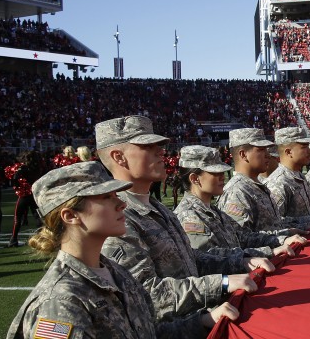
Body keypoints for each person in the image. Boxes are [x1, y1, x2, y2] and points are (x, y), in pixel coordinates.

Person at [7, 162, 237, 339]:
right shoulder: (59, 301)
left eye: (117, 195)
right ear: (70, 215)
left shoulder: (117, 273)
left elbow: (149, 333)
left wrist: (203, 321)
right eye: (106, 197)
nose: (121, 204)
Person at [96, 116, 264, 323]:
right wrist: (221, 283)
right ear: (119, 157)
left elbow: (190, 258)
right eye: (148, 146)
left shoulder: (157, 208)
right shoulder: (118, 217)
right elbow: (145, 293)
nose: (161, 151)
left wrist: (241, 262)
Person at [174, 145, 306, 258]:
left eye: (223, 172)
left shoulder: (212, 211)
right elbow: (210, 257)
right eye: (215, 173)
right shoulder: (189, 215)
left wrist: (281, 239)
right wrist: (267, 252)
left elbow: (243, 238)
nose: (222, 177)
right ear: (195, 179)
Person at [218, 128, 310, 234]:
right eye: (261, 149)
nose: (268, 155)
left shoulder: (256, 186)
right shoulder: (236, 192)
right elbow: (240, 239)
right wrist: (280, 238)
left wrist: (308, 221)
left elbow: (276, 222)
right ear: (243, 154)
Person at [265, 127, 310, 226]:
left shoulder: (298, 175)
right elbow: (274, 222)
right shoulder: (279, 182)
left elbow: (309, 206)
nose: (309, 151)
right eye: (304, 147)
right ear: (288, 152)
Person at [7, 151, 44, 248]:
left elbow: (15, 178)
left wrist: (17, 185)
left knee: (17, 217)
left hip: (24, 195)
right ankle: (42, 239)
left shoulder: (23, 168)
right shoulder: (37, 167)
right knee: (37, 217)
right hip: (34, 195)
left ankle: (13, 240)